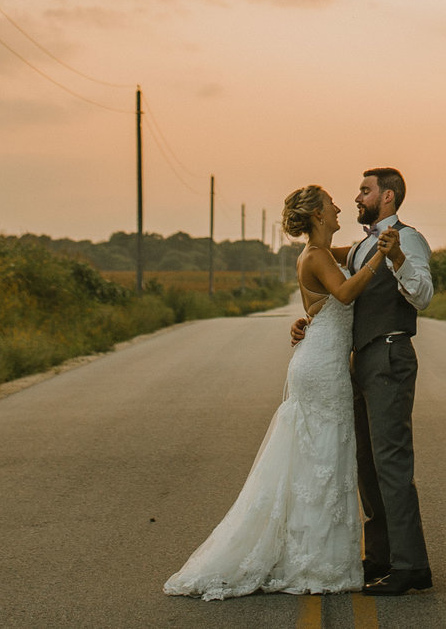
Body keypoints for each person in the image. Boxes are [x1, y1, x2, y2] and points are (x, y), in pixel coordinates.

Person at [162, 184, 385, 599]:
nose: (338, 207)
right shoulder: (316, 255)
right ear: (318, 215)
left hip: (323, 359)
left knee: (322, 460)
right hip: (321, 368)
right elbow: (345, 292)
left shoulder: (322, 254)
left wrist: (307, 317)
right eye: (331, 204)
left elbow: (324, 299)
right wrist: (382, 257)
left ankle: (322, 557)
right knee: (323, 457)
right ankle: (315, 562)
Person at [293, 167, 434, 596]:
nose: (356, 197)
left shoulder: (407, 239)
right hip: (357, 360)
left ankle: (411, 566)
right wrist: (309, 324)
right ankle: (379, 559)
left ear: (387, 197)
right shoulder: (358, 246)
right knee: (368, 466)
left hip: (389, 353)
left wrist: (397, 259)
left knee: (391, 461)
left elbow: (424, 294)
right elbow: (324, 279)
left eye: (364, 190)